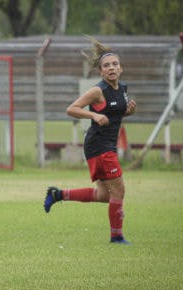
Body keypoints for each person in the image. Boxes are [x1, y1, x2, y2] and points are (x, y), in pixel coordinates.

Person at [44, 36, 137, 244]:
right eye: (106, 65)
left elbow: (113, 115)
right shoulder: (97, 91)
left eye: (115, 64)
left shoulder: (122, 89)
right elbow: (72, 109)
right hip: (99, 145)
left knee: (105, 195)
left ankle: (58, 195)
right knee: (119, 191)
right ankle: (117, 237)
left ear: (120, 69)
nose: (111, 68)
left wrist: (129, 112)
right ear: (101, 71)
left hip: (107, 145)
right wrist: (93, 116)